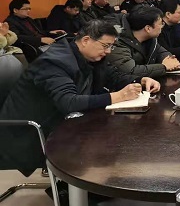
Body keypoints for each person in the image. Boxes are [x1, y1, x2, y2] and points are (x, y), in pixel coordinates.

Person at [0, 20, 161, 176]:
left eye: (111, 46)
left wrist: (140, 80)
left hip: (64, 121)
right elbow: (69, 102)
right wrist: (117, 96)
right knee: (109, 147)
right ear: (85, 40)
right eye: (105, 46)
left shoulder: (90, 56)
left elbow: (114, 76)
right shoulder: (54, 62)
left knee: (118, 137)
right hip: (32, 132)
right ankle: (75, 187)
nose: (108, 51)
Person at [107, 7, 180, 77]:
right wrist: (163, 67)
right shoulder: (118, 42)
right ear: (148, 28)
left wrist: (169, 60)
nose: (162, 26)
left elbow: (162, 52)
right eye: (161, 23)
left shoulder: (150, 39)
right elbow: (130, 71)